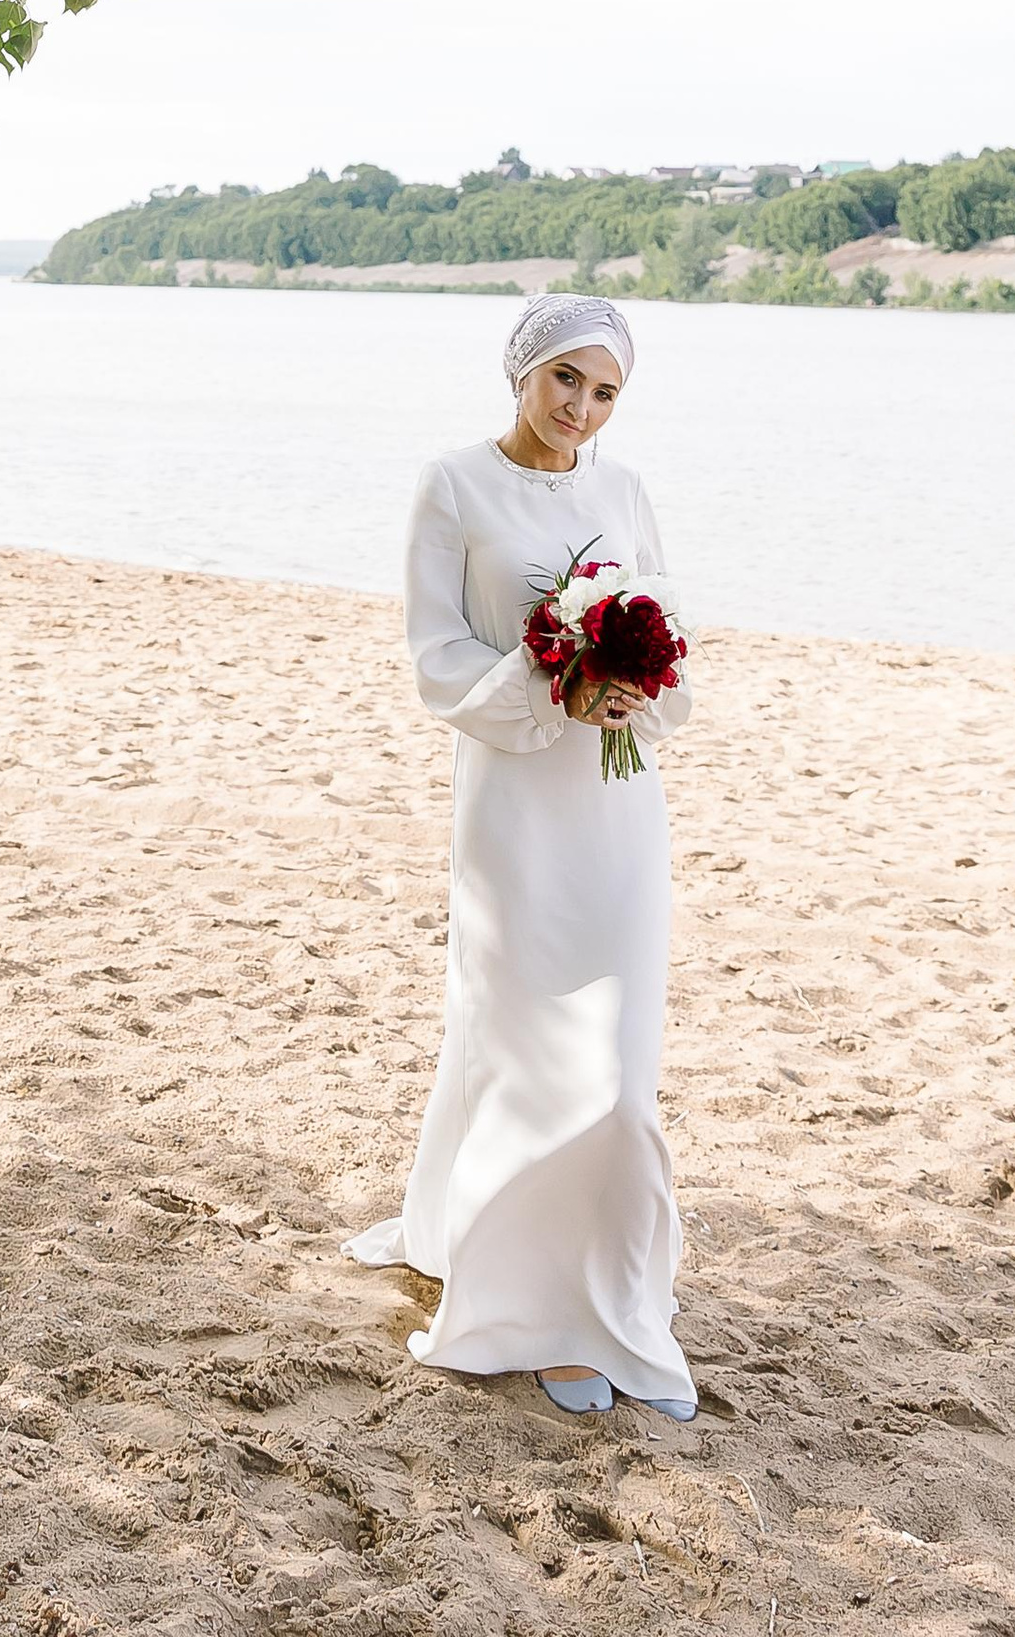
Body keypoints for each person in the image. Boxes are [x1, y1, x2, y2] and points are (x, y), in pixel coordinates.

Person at [343, 294, 697, 1419]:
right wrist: (555, 683)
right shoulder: (452, 484)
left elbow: (670, 629)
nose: (580, 409)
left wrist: (632, 683)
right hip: (514, 805)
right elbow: (436, 654)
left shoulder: (624, 489)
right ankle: (540, 1312)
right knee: (530, 1050)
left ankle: (599, 1287)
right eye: (565, 381)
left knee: (616, 1072)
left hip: (618, 809)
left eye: (605, 392)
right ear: (522, 373)